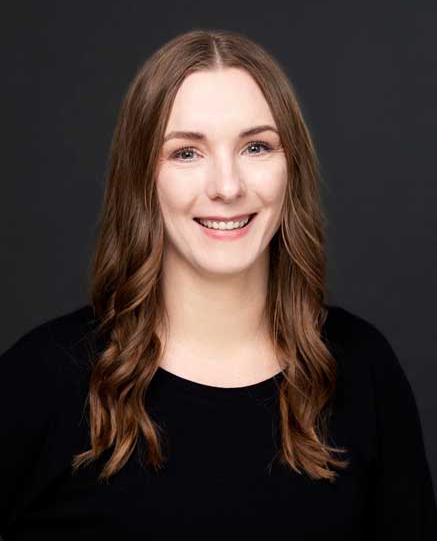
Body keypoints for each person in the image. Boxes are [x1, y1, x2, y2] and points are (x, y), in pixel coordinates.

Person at [0, 29, 436, 540]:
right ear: (141, 177)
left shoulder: (363, 369)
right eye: (187, 153)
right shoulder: (40, 379)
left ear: (290, 168)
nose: (227, 187)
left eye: (256, 146)